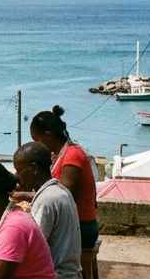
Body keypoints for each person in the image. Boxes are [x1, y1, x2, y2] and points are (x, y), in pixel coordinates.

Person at [13, 142, 82, 279]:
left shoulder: (47, 200)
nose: (17, 176)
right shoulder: (58, 190)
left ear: (34, 168)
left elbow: (30, 247)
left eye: (20, 170)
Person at [29, 106, 100, 249]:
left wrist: (27, 196)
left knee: (31, 242)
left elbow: (62, 196)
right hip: (76, 224)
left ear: (48, 135)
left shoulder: (72, 155)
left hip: (81, 226)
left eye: (38, 141)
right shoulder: (59, 155)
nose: (37, 146)